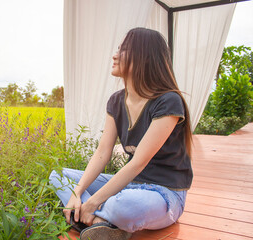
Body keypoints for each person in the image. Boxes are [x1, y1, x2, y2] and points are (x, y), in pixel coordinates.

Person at [49, 27, 193, 240]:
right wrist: (77, 193)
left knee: (124, 204)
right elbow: (102, 152)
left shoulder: (168, 101)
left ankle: (92, 219)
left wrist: (92, 202)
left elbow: (138, 163)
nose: (115, 55)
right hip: (130, 184)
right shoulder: (116, 100)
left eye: (123, 50)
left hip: (165, 194)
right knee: (59, 176)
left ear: (143, 56)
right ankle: (104, 223)